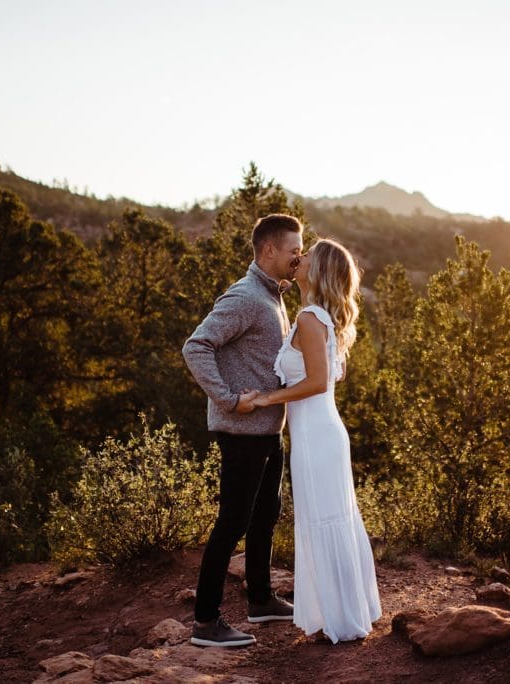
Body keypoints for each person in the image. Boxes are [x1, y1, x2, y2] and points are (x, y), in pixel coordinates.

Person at [249, 238, 382, 644]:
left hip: (317, 437)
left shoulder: (310, 318)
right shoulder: (318, 315)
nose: (299, 257)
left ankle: (340, 618)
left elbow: (317, 381)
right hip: (320, 432)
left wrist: (265, 399)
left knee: (323, 519)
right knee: (327, 518)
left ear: (318, 269)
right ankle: (342, 610)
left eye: (306, 255)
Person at [182, 213, 303, 648]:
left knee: (265, 518)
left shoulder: (273, 296)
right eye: (293, 250)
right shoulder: (247, 296)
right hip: (242, 430)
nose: (298, 257)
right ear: (269, 250)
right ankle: (206, 622)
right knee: (232, 522)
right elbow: (196, 346)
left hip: (268, 430)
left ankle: (262, 600)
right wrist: (230, 399)